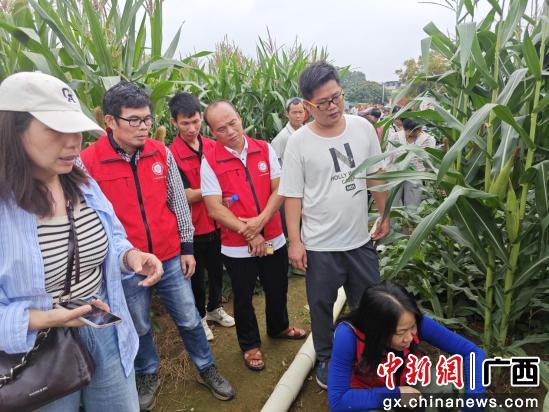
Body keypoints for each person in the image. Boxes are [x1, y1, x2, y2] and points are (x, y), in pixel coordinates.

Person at [0, 72, 164, 411]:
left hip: (102, 327)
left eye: (76, 129)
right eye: (57, 130)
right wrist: (46, 319)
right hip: (37, 349)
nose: (74, 142)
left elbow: (111, 236)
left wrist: (130, 256)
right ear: (14, 129)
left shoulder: (81, 180)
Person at [80, 83, 234, 409]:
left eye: (147, 119)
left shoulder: (160, 153)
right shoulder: (88, 162)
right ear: (110, 121)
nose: (144, 127)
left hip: (169, 256)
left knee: (190, 318)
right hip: (127, 265)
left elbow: (178, 202)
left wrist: (187, 247)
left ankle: (206, 367)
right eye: (134, 120)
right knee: (139, 325)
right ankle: (147, 372)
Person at [278, 62, 390, 389]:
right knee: (321, 306)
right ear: (307, 105)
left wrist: (384, 214)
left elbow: (375, 175)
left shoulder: (362, 128)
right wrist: (295, 242)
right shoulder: (299, 142)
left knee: (369, 302)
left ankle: (370, 354)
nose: (333, 106)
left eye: (337, 97)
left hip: (359, 240)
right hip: (320, 246)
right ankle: (325, 357)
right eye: (323, 102)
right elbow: (292, 196)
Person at [200, 100, 306, 372]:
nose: (230, 131)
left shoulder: (264, 148)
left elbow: (279, 188)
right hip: (237, 247)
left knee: (277, 287)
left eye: (232, 123)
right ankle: (250, 345)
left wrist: (261, 221)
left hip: (273, 238)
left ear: (240, 117)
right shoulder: (210, 161)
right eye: (221, 129)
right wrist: (248, 232)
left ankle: (279, 327)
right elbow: (214, 207)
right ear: (211, 132)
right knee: (244, 296)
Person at [329, 281, 486, 411]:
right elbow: (338, 401)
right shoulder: (348, 336)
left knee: (441, 388)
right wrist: (395, 394)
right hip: (367, 392)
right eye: (401, 333)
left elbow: (473, 352)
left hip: (406, 378)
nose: (410, 337)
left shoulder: (414, 321)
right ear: (376, 330)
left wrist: (473, 401)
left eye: (413, 327)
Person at [168, 92, 235, 341]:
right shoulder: (171, 154)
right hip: (193, 228)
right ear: (174, 122)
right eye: (185, 123)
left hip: (218, 223)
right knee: (195, 277)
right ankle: (200, 316)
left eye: (195, 121)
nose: (191, 128)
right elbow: (184, 195)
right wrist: (213, 192)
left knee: (217, 271)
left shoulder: (212, 145)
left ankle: (215, 308)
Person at [386, 118, 436, 207]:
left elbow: (430, 160)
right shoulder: (395, 137)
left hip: (415, 174)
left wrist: (429, 175)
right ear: (404, 128)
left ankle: (410, 216)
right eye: (408, 131)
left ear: (420, 129)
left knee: (412, 204)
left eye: (414, 131)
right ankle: (392, 215)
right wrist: (386, 171)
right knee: (392, 202)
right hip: (396, 173)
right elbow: (389, 155)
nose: (410, 133)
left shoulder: (428, 139)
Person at [270, 97, 306, 165]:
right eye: (294, 112)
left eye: (300, 112)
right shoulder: (282, 137)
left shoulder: (307, 132)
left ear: (304, 113)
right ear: (287, 114)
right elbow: (273, 160)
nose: (298, 116)